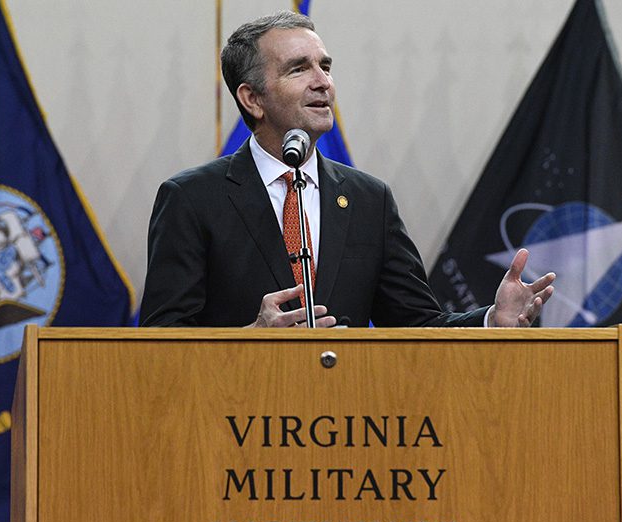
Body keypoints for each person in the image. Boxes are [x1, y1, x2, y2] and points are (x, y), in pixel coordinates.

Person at [139, 10, 554, 328]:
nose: (323, 83)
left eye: (326, 66)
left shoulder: (368, 200)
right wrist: (250, 337)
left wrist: (489, 320)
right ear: (252, 99)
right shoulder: (192, 199)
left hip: (349, 423)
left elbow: (417, 326)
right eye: (299, 68)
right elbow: (162, 339)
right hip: (233, 423)